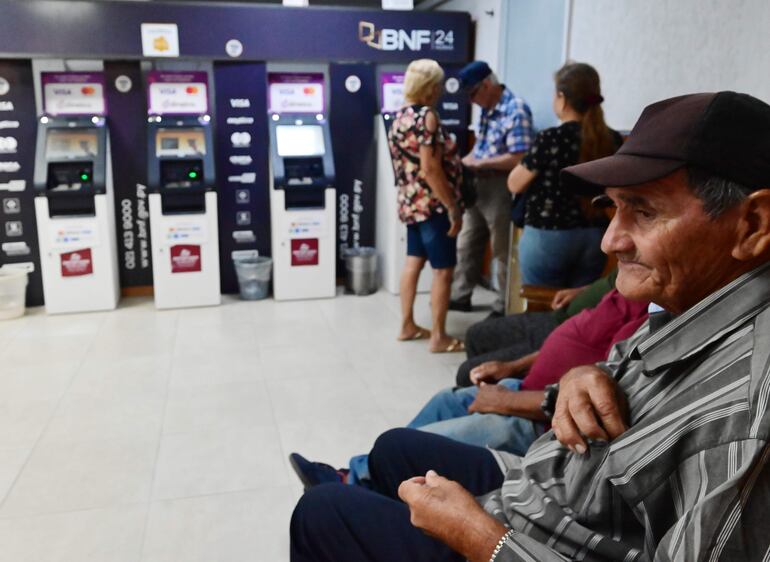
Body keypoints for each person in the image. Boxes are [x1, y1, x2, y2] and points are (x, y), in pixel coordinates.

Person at [290, 91, 770, 561]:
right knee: (393, 447)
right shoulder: (690, 303)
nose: (609, 241)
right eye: (613, 207)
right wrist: (583, 376)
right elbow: (621, 370)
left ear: (753, 225)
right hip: (546, 489)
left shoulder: (748, 415)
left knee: (323, 513)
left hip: (530, 539)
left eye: (644, 212)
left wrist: (480, 537)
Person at [289, 288, 647, 489]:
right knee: (444, 402)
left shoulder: (648, 319)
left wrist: (506, 401)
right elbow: (574, 342)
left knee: (425, 447)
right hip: (523, 386)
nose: (612, 240)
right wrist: (512, 367)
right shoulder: (628, 284)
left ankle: (357, 482)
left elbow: (597, 399)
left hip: (539, 422)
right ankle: (361, 474)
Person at [508, 61, 622, 287]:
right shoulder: (612, 139)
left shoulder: (551, 138)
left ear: (562, 97)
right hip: (595, 237)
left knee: (540, 304)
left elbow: (515, 184)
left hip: (548, 235)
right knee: (578, 306)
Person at [389, 59, 465, 352]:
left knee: (413, 262)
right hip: (432, 206)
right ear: (430, 87)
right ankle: (438, 337)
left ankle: (406, 325)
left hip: (410, 204)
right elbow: (430, 168)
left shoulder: (399, 116)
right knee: (443, 271)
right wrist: (452, 206)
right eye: (438, 85)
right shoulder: (427, 117)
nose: (441, 90)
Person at [449, 61, 533, 315]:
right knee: (467, 242)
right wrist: (463, 162)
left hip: (501, 185)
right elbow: (481, 148)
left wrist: (482, 163)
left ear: (487, 85)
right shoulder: (487, 109)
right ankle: (460, 295)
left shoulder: (515, 109)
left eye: (473, 94)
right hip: (477, 184)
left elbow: (521, 157)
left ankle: (503, 304)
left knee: (502, 249)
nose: (471, 101)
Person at [455, 269, 617, 386]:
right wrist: (582, 290)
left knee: (468, 372)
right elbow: (612, 281)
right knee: (475, 334)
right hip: (558, 317)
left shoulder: (631, 308)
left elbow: (586, 351)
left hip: (568, 339)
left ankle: (486, 405)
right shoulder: (627, 270)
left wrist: (514, 367)